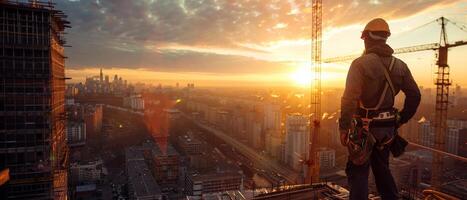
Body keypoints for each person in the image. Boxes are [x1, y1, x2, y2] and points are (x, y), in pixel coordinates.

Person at [338, 18, 421, 200]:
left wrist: (343, 128)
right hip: (387, 130)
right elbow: (415, 95)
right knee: (382, 169)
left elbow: (349, 99)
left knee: (358, 171)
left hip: (363, 128)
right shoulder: (400, 66)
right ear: (385, 38)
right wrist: (400, 119)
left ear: (367, 38)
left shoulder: (360, 64)